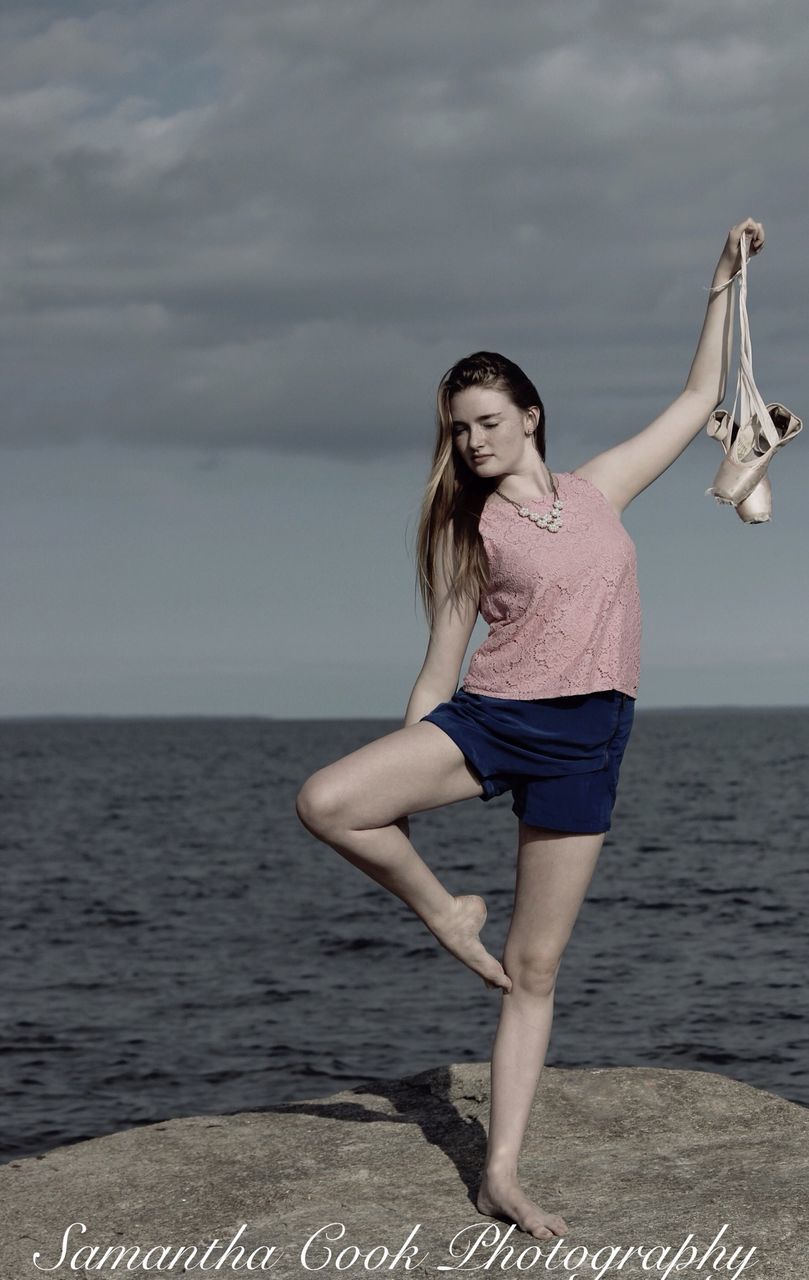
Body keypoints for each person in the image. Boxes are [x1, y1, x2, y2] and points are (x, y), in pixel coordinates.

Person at [295, 218, 765, 1240]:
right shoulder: (470, 532)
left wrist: (718, 285)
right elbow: (437, 667)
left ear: (528, 414)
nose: (470, 438)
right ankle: (441, 914)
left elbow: (693, 401)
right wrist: (408, 794)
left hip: (590, 741)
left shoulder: (600, 490)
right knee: (328, 799)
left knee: (536, 968)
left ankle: (499, 1170)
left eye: (485, 418)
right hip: (493, 719)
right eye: (458, 427)